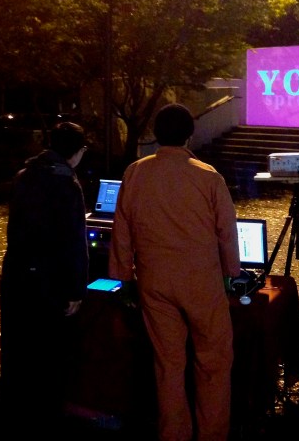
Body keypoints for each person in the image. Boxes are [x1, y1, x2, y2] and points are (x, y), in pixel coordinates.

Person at [109, 103, 240, 441]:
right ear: (189, 134)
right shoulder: (208, 176)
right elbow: (227, 232)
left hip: (154, 282)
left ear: (156, 133)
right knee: (213, 362)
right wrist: (232, 272)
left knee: (167, 365)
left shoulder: (135, 172)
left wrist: (124, 278)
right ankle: (212, 434)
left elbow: (121, 231)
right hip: (202, 284)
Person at [0, 121, 89, 430]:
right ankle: (44, 415)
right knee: (49, 350)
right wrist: (76, 289)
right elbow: (75, 241)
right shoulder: (67, 184)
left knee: (17, 343)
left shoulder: (25, 176)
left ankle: (14, 408)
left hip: (16, 272)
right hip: (49, 279)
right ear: (76, 152)